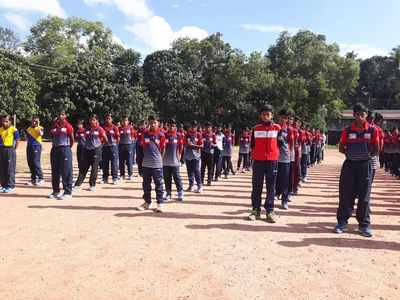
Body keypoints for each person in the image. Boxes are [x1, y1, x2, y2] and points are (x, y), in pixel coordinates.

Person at [334, 103, 378, 238]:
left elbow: (377, 148)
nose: (359, 117)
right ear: (353, 115)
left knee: (364, 197)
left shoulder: (372, 130)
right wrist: (351, 155)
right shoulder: (347, 130)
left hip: (365, 166)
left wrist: (366, 157)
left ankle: (363, 225)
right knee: (346, 194)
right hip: (349, 166)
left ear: (366, 116)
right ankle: (342, 222)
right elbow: (342, 147)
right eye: (357, 114)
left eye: (362, 115)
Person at [248, 104, 281, 222]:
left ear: (272, 115)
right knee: (257, 186)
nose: (265, 116)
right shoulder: (255, 129)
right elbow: (252, 145)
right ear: (260, 115)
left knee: (271, 187)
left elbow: (280, 144)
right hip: (258, 161)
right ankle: (255, 210)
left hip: (272, 161)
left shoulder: (277, 128)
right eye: (263, 114)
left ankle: (270, 211)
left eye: (268, 114)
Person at [137, 116, 166, 212]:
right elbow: (143, 147)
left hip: (157, 164)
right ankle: (147, 202)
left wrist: (160, 160)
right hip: (146, 163)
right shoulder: (145, 134)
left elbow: (163, 149)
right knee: (146, 185)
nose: (152, 124)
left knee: (159, 184)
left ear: (158, 123)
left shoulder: (161, 135)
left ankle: (160, 203)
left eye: (154, 122)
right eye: (150, 122)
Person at [73, 115, 107, 192]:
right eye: (91, 120)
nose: (92, 121)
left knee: (94, 168)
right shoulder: (87, 129)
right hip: (87, 150)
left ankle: (92, 185)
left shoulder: (100, 129)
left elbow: (105, 139)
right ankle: (78, 184)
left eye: (93, 120)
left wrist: (100, 146)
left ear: (97, 121)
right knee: (83, 167)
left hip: (96, 150)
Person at [49, 111, 74, 200]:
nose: (60, 116)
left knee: (66, 171)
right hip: (55, 149)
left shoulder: (68, 126)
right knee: (55, 171)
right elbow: (52, 136)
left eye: (62, 114)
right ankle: (56, 191)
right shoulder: (54, 125)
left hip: (65, 148)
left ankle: (68, 192)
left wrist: (67, 148)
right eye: (59, 114)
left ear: (65, 116)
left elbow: (72, 139)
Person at [163, 118, 184, 201]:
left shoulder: (178, 135)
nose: (171, 127)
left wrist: (179, 156)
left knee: (177, 177)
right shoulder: (164, 135)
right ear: (167, 126)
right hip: (165, 161)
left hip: (175, 161)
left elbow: (181, 146)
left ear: (175, 127)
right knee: (167, 178)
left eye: (173, 126)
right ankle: (168, 193)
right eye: (170, 126)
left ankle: (180, 192)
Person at [276, 109, 293, 209]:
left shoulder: (289, 130)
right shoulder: (275, 128)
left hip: (285, 158)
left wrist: (290, 156)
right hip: (274, 158)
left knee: (285, 180)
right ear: (279, 117)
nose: (283, 120)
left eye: (285, 118)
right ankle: (275, 194)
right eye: (282, 117)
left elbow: (291, 143)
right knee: (275, 179)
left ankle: (284, 200)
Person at [0, 115, 20, 193]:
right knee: (2, 168)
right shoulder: (0, 129)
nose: (4, 123)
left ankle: (11, 185)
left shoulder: (13, 129)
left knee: (9, 168)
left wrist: (13, 149)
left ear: (10, 122)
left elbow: (17, 140)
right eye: (3, 121)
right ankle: (4, 185)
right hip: (1, 149)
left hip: (10, 150)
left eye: (6, 121)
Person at [184, 121, 203, 193]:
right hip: (188, 156)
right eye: (192, 126)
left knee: (196, 171)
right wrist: (196, 146)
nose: (193, 128)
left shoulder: (198, 135)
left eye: (194, 126)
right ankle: (191, 185)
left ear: (196, 127)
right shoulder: (187, 135)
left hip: (196, 156)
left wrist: (193, 146)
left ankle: (199, 186)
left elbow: (201, 146)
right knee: (189, 171)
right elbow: (187, 145)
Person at [25, 116, 44, 186]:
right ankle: (34, 178)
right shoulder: (29, 128)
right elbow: (27, 137)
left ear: (38, 122)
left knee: (36, 162)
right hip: (29, 146)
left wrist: (38, 126)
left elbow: (41, 134)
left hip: (36, 146)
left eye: (35, 121)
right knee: (30, 162)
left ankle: (41, 178)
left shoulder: (40, 128)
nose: (34, 122)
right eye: (33, 121)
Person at [101, 114, 120, 184]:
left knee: (114, 163)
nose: (108, 120)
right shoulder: (103, 127)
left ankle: (114, 178)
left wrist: (115, 145)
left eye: (109, 118)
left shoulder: (115, 127)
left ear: (112, 119)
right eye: (107, 118)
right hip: (105, 147)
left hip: (113, 147)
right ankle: (105, 178)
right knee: (105, 163)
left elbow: (118, 137)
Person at [118, 116, 136, 181]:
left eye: (126, 120)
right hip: (121, 145)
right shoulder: (119, 128)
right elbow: (117, 136)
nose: (125, 122)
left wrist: (132, 141)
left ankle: (130, 174)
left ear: (128, 121)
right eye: (124, 120)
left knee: (129, 160)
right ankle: (122, 175)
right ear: (122, 121)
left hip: (129, 145)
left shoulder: (130, 128)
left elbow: (134, 136)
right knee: (121, 161)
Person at [201, 122, 216, 186]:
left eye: (209, 127)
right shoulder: (202, 134)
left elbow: (215, 144)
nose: (207, 128)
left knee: (210, 168)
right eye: (206, 127)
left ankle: (209, 180)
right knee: (202, 168)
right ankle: (201, 181)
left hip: (210, 153)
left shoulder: (213, 135)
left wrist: (212, 144)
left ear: (211, 128)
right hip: (203, 153)